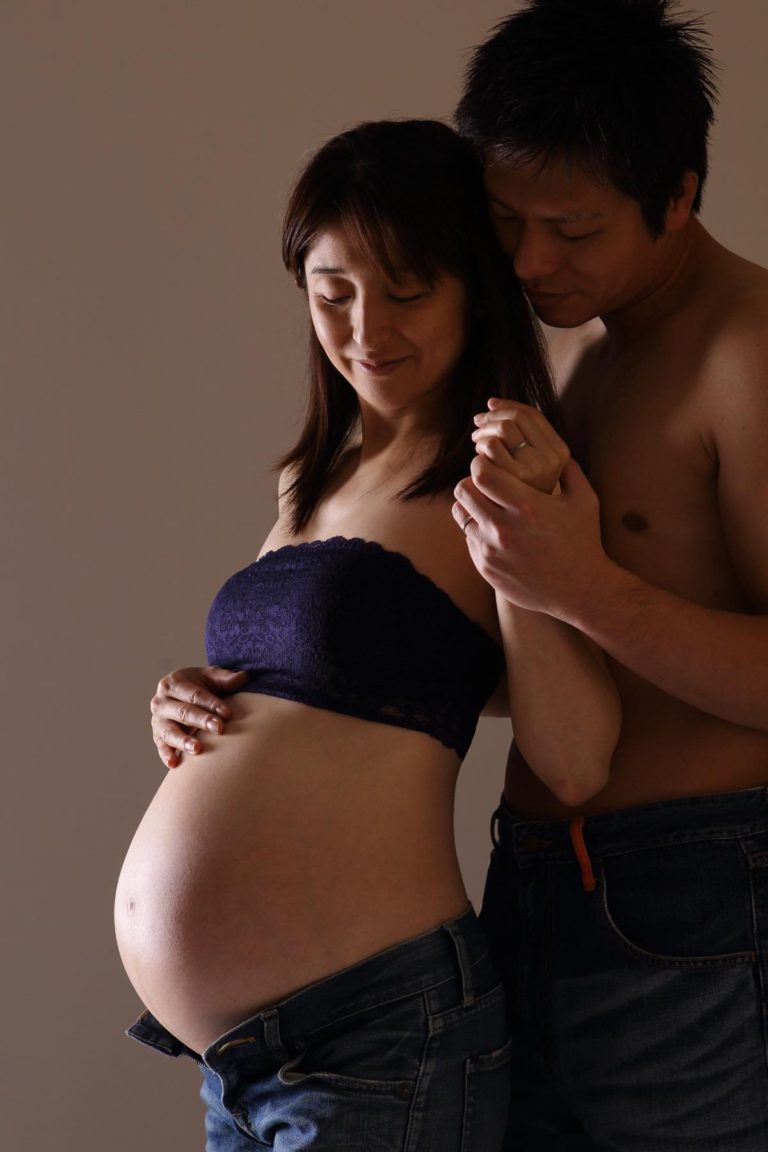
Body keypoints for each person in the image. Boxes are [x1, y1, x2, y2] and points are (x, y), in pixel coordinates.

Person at [116, 118, 620, 1151]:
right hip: (242, 1062)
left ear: (473, 289)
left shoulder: (503, 478)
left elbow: (574, 759)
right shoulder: (311, 480)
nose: (365, 327)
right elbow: (331, 689)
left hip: (375, 1041)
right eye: (333, 291)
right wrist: (191, 694)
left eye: (406, 289)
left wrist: (526, 530)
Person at [449, 0, 768, 1148]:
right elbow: (562, 653)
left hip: (692, 899)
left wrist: (578, 586)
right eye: (505, 220)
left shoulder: (748, 353)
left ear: (678, 196)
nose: (532, 261)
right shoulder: (578, 351)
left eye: (573, 230)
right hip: (532, 886)